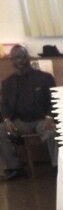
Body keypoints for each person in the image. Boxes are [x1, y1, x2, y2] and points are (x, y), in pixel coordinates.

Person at [0, 44, 57, 180]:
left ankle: (57, 166)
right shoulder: (7, 82)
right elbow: (5, 105)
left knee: (52, 130)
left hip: (42, 119)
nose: (17, 61)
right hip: (20, 122)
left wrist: (50, 116)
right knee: (1, 130)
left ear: (28, 58)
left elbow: (54, 99)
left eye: (20, 57)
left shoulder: (45, 77)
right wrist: (6, 119)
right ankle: (14, 168)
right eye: (14, 58)